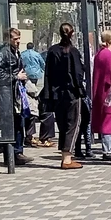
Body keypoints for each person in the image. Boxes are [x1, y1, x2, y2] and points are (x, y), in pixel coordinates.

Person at [42, 23, 86, 170]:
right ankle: (67, 158)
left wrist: (48, 93)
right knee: (73, 124)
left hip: (56, 94)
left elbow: (47, 73)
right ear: (72, 34)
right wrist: (80, 89)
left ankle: (65, 156)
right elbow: (79, 74)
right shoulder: (73, 51)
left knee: (62, 125)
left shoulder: (52, 51)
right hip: (71, 93)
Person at [0, 29, 32, 165]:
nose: (18, 41)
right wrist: (16, 77)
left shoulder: (16, 51)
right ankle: (11, 154)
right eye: (15, 39)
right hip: (6, 92)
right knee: (9, 122)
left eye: (19, 38)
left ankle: (18, 152)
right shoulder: (3, 52)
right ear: (8, 39)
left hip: (16, 91)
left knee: (19, 121)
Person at [91, 30, 111, 161]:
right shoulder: (110, 56)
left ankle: (110, 149)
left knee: (106, 119)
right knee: (110, 121)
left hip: (100, 92)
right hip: (109, 92)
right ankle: (109, 150)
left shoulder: (99, 54)